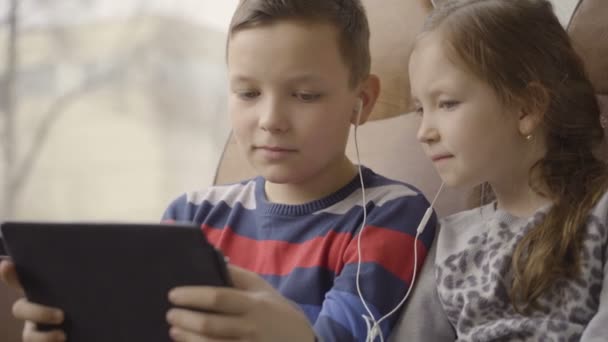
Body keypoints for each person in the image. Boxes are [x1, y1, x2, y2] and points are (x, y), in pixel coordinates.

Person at [0, 1, 437, 341]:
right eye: (247, 93)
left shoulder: (392, 215)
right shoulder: (193, 214)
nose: (271, 119)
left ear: (362, 100)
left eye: (304, 95)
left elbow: (353, 334)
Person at [390, 0, 608, 341]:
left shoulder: (600, 213)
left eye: (446, 103)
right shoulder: (449, 241)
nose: (424, 131)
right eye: (420, 109)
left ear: (527, 108)